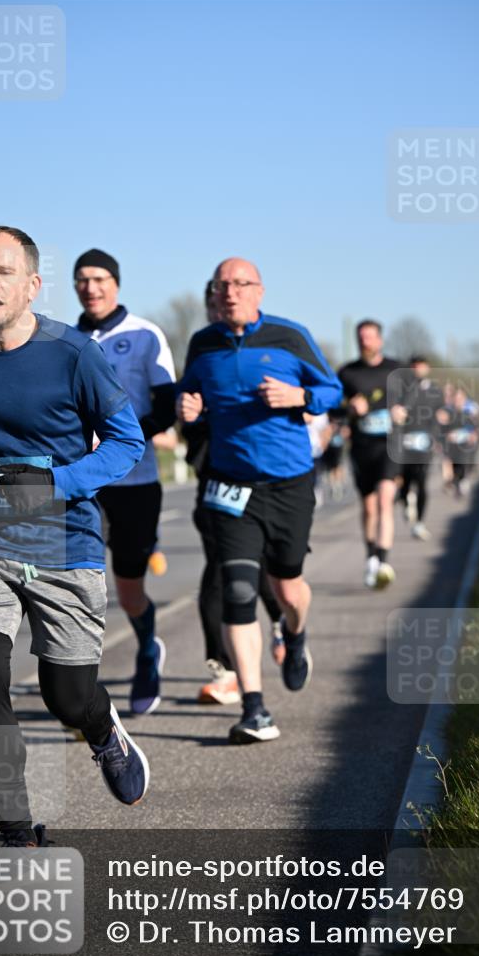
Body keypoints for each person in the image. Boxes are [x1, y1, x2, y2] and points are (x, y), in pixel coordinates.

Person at [0, 226, 149, 846]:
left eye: (3, 271)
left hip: (63, 541)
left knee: (66, 695)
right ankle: (17, 832)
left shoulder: (73, 353)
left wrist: (56, 484)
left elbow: (127, 442)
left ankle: (102, 730)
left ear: (32, 284)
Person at [177, 258, 342, 742]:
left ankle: (294, 634)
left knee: (288, 587)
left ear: (259, 291)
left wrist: (298, 397)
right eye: (221, 285)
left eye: (240, 284)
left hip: (289, 484)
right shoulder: (203, 343)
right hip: (231, 487)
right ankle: (254, 707)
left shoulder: (289, 336)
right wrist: (187, 408)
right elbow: (190, 396)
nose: (230, 292)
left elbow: (330, 388)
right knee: (238, 590)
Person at [74, 248, 176, 714]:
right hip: (81, 484)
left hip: (136, 481)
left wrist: (117, 440)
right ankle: (79, 691)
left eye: (98, 278)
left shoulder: (144, 334)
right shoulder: (63, 339)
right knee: (77, 583)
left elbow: (166, 406)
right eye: (81, 279)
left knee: (129, 589)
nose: (90, 287)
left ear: (115, 283)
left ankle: (148, 648)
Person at [186, 282, 286, 707]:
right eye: (212, 304)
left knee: (261, 567)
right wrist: (188, 412)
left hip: (262, 482)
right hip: (215, 481)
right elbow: (181, 410)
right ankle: (223, 667)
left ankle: (283, 621)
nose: (220, 309)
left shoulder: (262, 349)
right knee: (222, 572)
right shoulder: (202, 353)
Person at [338, 320, 406, 589]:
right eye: (361, 338)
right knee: (368, 507)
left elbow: (417, 400)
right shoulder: (346, 373)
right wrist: (350, 410)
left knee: (385, 500)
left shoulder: (396, 370)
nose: (365, 342)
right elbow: (332, 409)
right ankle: (371, 557)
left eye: (369, 337)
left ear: (380, 340)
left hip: (390, 445)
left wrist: (404, 412)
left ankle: (384, 561)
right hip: (361, 448)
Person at [397, 355, 444, 541]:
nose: (418, 370)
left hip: (425, 441)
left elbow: (439, 416)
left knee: (422, 481)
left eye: (422, 367)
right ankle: (406, 500)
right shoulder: (401, 390)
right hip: (404, 441)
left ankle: (419, 524)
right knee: (405, 480)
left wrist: (436, 437)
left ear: (428, 369)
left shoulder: (435, 391)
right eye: (415, 367)